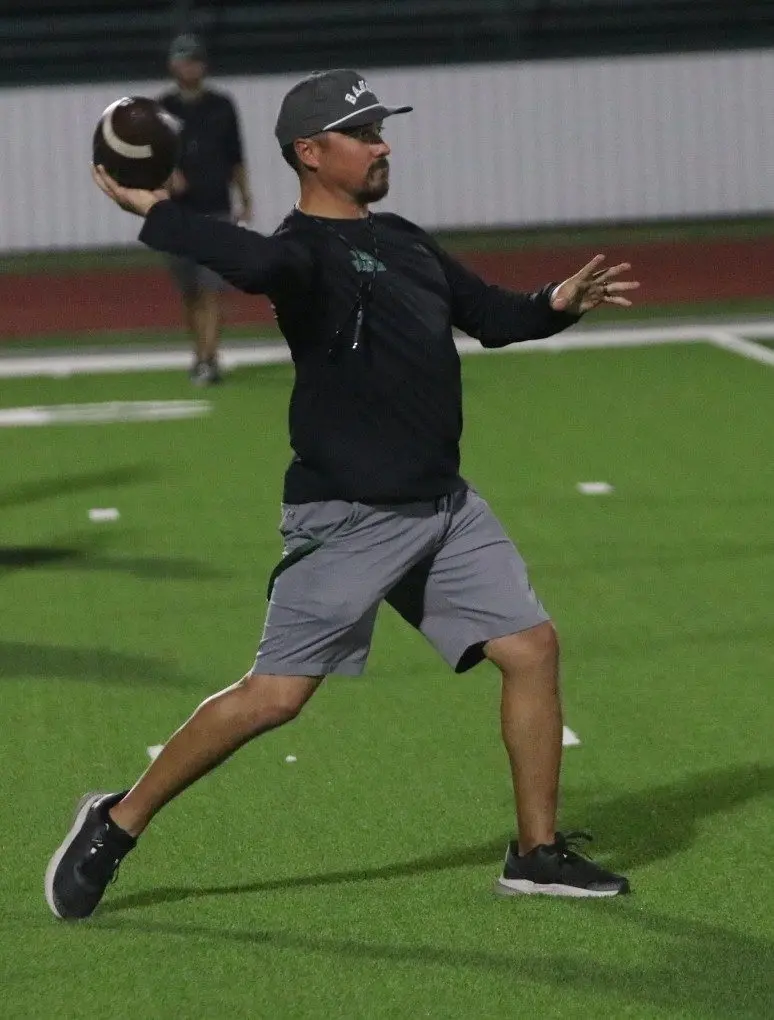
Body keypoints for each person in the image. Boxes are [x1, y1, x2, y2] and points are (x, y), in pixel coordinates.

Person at [45, 69, 640, 920]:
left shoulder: (404, 239)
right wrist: (159, 214)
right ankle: (116, 821)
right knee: (275, 697)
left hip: (442, 506)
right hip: (351, 515)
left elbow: (493, 316)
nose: (382, 144)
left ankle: (536, 854)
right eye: (362, 134)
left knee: (532, 648)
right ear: (310, 153)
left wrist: (557, 303)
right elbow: (252, 262)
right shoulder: (300, 252)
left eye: (380, 129)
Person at [159, 33, 253, 384]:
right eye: (184, 61)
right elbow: (151, 157)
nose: (190, 68)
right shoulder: (163, 108)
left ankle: (209, 359)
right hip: (179, 212)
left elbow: (236, 155)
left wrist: (245, 196)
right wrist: (168, 174)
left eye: (195, 61)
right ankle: (199, 353)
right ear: (173, 66)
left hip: (216, 207)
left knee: (211, 287)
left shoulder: (221, 106)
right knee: (189, 291)